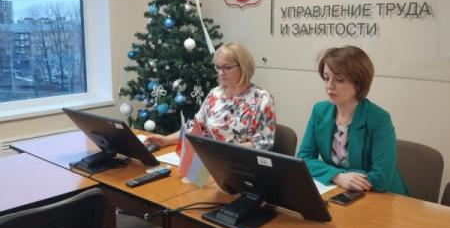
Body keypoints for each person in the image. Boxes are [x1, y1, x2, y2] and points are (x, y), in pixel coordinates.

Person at [298, 46, 408, 195]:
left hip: (383, 197)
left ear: (359, 84)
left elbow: (381, 179)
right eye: (326, 77)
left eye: (339, 80)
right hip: (340, 192)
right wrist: (338, 176)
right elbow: (303, 159)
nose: (329, 85)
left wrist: (333, 174)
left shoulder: (379, 119)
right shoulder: (319, 111)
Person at [146, 42, 276, 150]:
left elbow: (263, 143)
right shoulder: (215, 93)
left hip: (240, 163)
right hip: (210, 159)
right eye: (218, 67)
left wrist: (224, 151)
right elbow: (196, 127)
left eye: (226, 67)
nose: (221, 72)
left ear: (243, 67)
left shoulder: (262, 98)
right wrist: (166, 140)